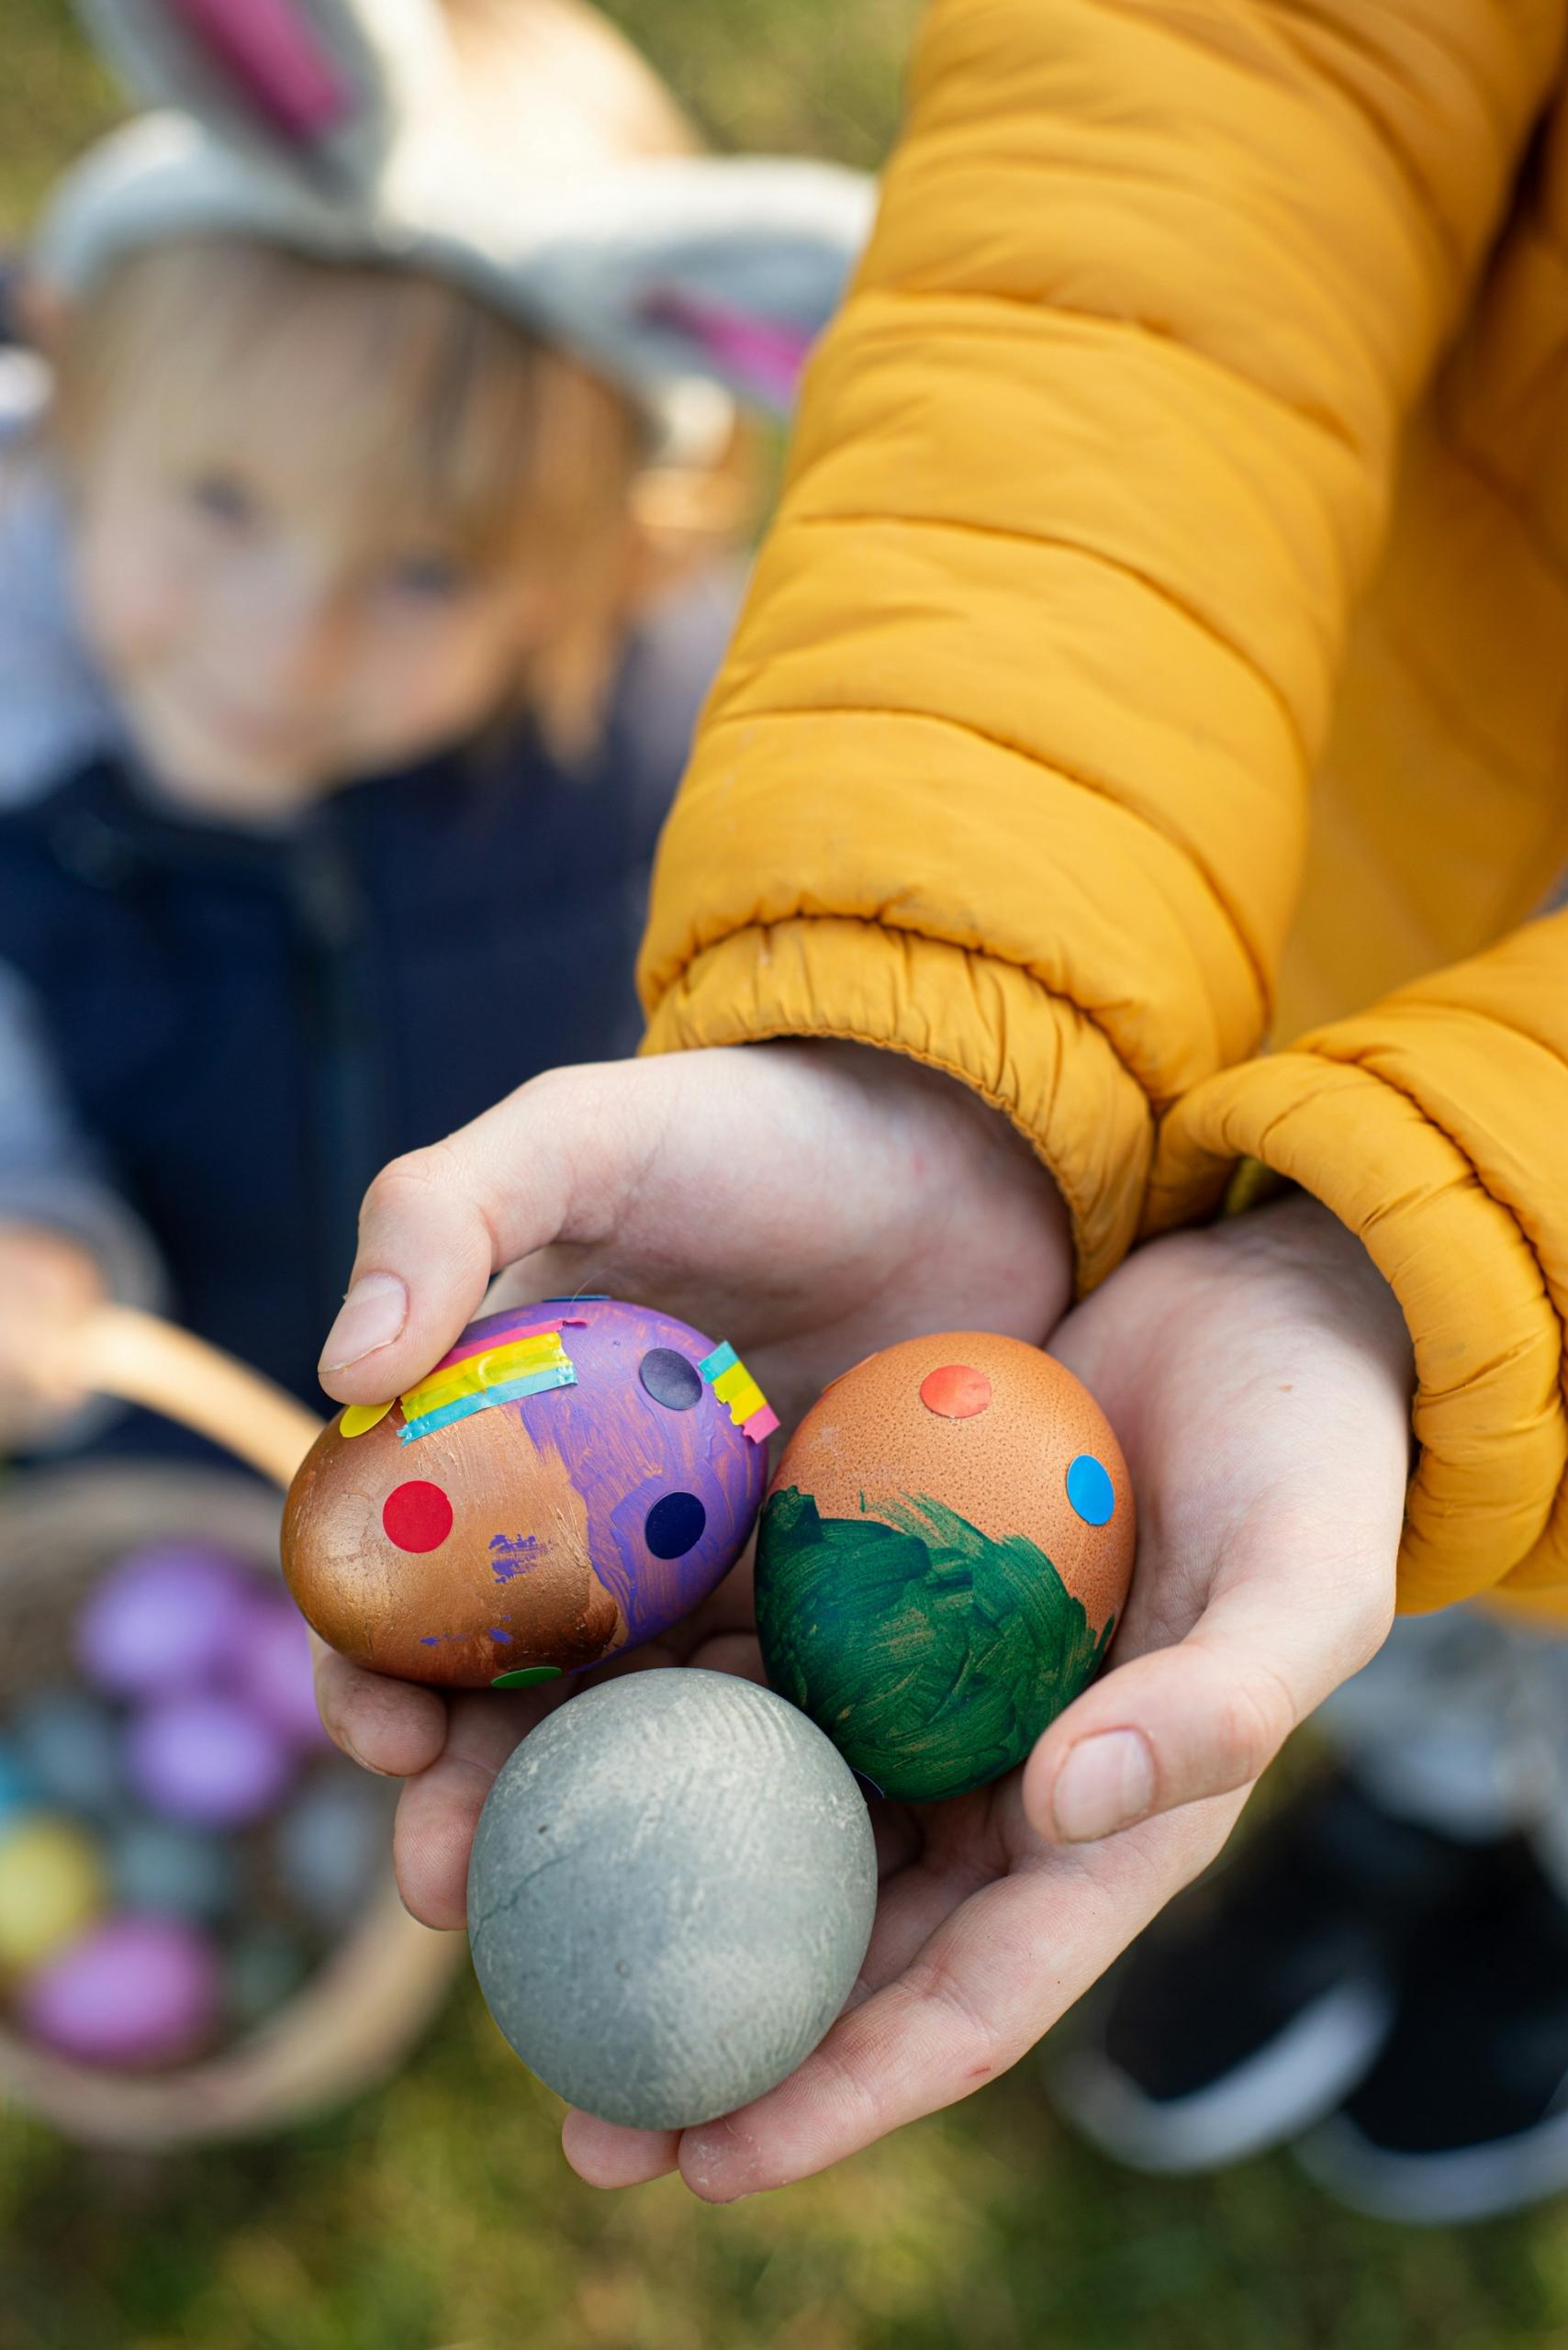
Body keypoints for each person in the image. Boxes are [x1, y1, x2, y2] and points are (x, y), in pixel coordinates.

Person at [312, 0, 1568, 2215]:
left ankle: (1532, 1878)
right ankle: (1412, 1791)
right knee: (1352, 1569)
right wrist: (942, 1027)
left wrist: (1480, 1214)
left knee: (1415, 1565)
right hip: (1317, 834)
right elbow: (1208, 89)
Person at [0, 0, 870, 1455]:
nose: (286, 644)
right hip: (168, 1458)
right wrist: (41, 1247)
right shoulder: (23, 763)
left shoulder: (691, 755)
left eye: (426, 571)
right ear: (79, 391)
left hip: (524, 1465)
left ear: (597, 572)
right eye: (223, 503)